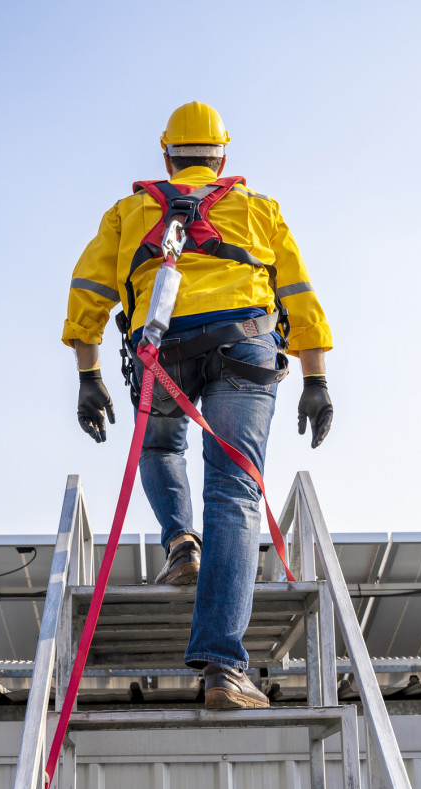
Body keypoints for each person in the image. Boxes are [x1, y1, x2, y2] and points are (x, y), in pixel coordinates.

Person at [61, 101, 333, 710]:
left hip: (163, 349)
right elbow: (298, 293)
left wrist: (89, 375)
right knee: (234, 493)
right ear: (222, 158)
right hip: (245, 346)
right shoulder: (258, 210)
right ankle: (221, 672)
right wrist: (315, 379)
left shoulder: (131, 211)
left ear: (166, 156)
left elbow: (89, 292)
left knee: (159, 444)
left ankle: (182, 544)